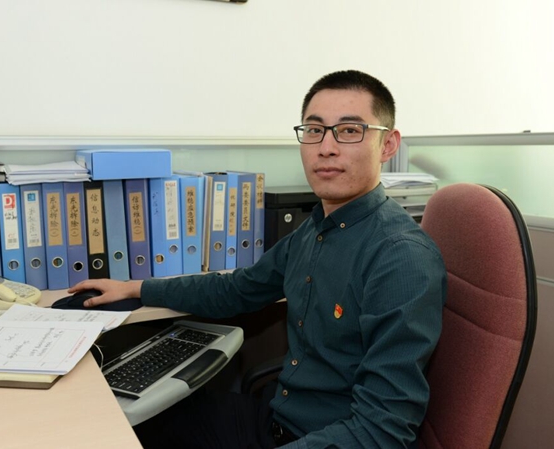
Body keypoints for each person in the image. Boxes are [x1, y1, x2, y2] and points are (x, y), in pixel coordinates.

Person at [69, 69, 447, 449]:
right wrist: (137, 288)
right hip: (275, 420)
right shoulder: (316, 229)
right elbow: (237, 289)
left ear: (387, 145)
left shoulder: (400, 258)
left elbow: (381, 430)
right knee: (127, 423)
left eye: (349, 131)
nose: (326, 147)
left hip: (324, 438)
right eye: (314, 130)